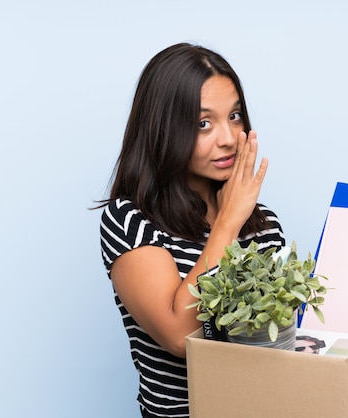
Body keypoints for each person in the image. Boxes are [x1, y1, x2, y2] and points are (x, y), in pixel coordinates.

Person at [99, 43, 285, 417]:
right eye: (203, 123)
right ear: (163, 128)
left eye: (235, 116)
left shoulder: (264, 225)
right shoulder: (130, 221)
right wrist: (227, 225)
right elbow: (181, 338)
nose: (229, 138)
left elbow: (281, 345)